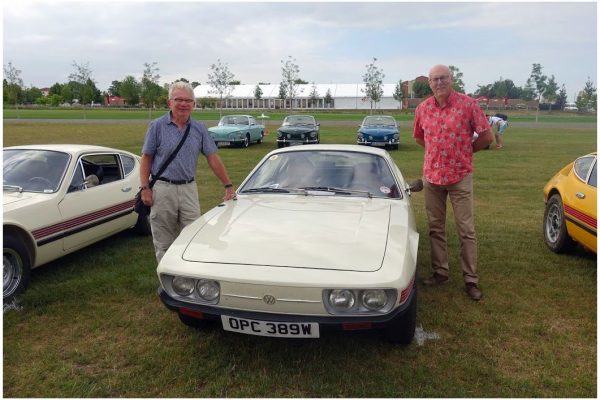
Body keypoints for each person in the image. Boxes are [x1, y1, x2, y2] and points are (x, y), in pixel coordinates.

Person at [413, 64, 494, 301]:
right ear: (429, 83)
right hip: (432, 177)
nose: (439, 82)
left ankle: (471, 280)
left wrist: (465, 152)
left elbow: (487, 136)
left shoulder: (468, 105)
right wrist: (436, 152)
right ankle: (440, 272)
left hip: (460, 177)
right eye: (435, 79)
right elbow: (419, 137)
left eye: (443, 78)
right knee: (435, 228)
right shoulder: (422, 108)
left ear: (452, 79)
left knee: (466, 230)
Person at [140, 81, 236, 262]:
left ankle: (189, 274)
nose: (183, 104)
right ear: (170, 102)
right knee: (163, 240)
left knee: (194, 236)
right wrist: (145, 188)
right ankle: (167, 276)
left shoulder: (199, 128)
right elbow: (146, 158)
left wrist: (228, 185)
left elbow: (212, 157)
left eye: (188, 100)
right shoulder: (157, 126)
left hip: (188, 189)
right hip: (162, 189)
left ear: (194, 104)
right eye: (179, 99)